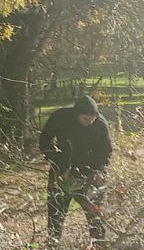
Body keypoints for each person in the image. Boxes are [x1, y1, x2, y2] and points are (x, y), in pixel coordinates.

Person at [38, 95, 113, 242]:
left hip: (89, 172)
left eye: (92, 119)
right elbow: (45, 140)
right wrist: (60, 165)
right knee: (56, 212)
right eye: (86, 119)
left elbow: (106, 151)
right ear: (77, 114)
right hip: (62, 170)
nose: (90, 122)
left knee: (95, 214)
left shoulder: (100, 124)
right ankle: (54, 245)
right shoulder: (60, 118)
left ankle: (98, 247)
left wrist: (100, 170)